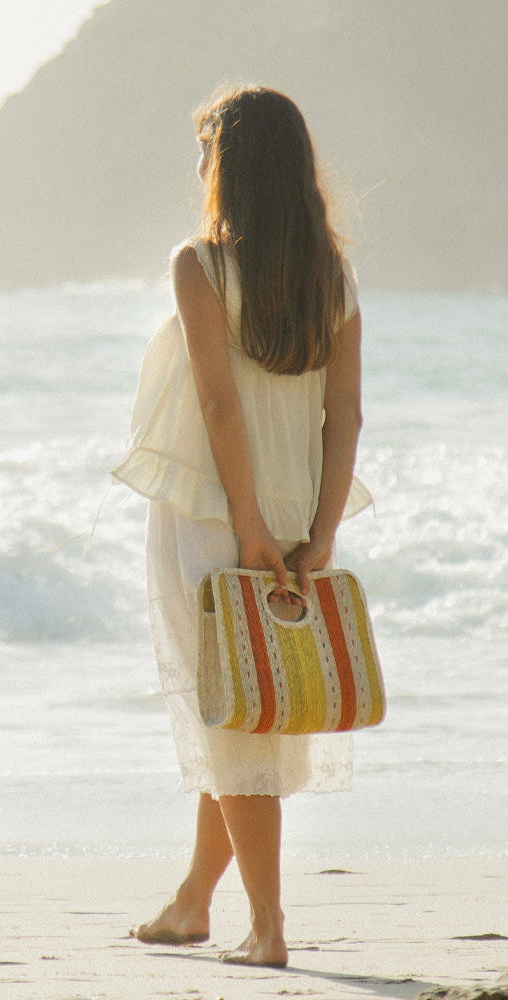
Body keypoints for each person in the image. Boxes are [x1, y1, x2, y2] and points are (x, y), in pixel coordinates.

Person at [112, 84, 371, 968]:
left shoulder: (200, 264)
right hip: (294, 515)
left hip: (215, 515)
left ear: (228, 165)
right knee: (243, 712)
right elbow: (345, 417)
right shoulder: (331, 279)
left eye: (205, 149)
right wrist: (319, 530)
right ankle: (192, 902)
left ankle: (267, 926)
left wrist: (246, 523)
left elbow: (220, 405)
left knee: (235, 728)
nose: (198, 165)